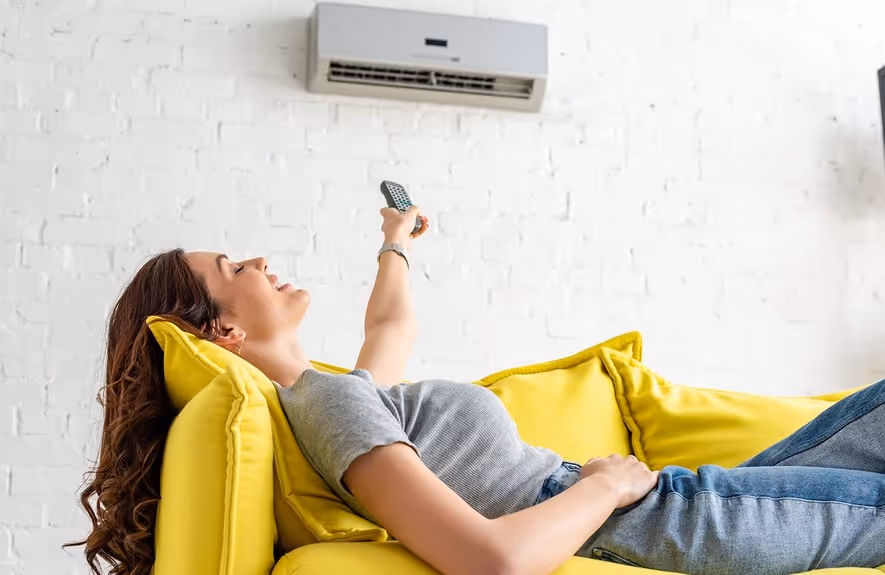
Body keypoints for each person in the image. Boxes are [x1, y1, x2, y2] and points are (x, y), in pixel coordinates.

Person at [68, 204, 885, 575]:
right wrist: (603, 485)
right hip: (656, 520)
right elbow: (490, 560)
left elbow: (391, 331)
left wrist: (395, 242)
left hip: (669, 508)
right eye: (232, 267)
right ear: (223, 330)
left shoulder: (331, 396)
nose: (257, 260)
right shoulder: (326, 406)